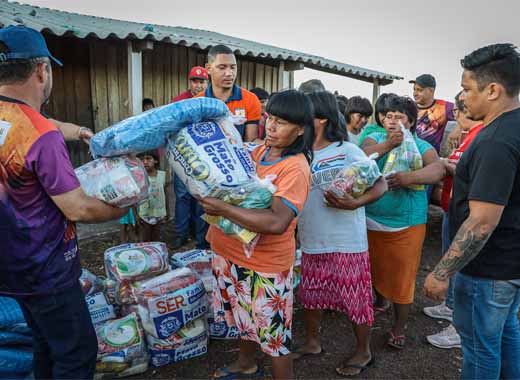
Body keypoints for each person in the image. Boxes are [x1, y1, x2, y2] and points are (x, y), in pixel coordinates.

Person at [0, 26, 128, 379]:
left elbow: (41, 123)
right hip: (46, 271)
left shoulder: (17, 122)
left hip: (8, 269)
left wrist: (79, 131)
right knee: (76, 355)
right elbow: (78, 208)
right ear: (42, 69)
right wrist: (121, 208)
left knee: (43, 343)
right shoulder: (39, 135)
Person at [198, 90, 313, 380]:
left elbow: (277, 221)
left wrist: (222, 208)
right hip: (229, 252)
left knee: (274, 339)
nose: (271, 127)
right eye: (269, 118)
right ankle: (246, 363)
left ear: (301, 129)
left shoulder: (295, 168)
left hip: (265, 264)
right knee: (243, 318)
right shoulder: (259, 150)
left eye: (282, 122)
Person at [424, 43, 520, 380]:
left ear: (493, 90)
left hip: (488, 270)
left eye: (467, 89)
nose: (462, 98)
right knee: (504, 336)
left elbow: (481, 222)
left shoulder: (496, 140)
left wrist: (441, 272)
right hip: (508, 265)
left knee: (480, 350)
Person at [293, 91, 387, 377]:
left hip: (346, 241)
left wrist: (355, 202)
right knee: (310, 295)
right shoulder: (299, 153)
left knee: (355, 299)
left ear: (320, 118)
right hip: (311, 238)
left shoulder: (346, 149)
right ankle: (312, 342)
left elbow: (380, 184)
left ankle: (364, 351)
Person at [361, 96, 445, 349]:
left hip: (407, 222)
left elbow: (437, 169)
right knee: (373, 266)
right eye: (388, 116)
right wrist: (387, 144)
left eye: (399, 117)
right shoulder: (375, 139)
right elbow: (361, 157)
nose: (393, 121)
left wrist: (409, 177)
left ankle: (399, 327)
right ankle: (381, 299)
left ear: (411, 121)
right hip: (371, 217)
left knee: (403, 275)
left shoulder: (421, 145)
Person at [424, 92, 484, 350]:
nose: (456, 117)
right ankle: (450, 307)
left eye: (459, 112)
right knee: (454, 261)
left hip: (468, 214)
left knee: (462, 268)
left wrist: (446, 166)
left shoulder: (482, 136)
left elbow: (470, 172)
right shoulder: (468, 136)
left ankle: (459, 329)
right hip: (454, 209)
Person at [171, 67, 210, 249]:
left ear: (207, 83)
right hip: (182, 156)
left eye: (202, 81)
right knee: (183, 197)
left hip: (205, 160)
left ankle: (201, 237)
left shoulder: (210, 101)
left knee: (202, 198)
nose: (198, 85)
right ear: (190, 82)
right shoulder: (179, 101)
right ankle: (181, 234)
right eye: (195, 81)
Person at [196, 45, 261, 142]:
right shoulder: (198, 102)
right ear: (208, 68)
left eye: (233, 67)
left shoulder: (250, 99)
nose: (229, 73)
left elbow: (250, 142)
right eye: (222, 68)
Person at [410, 74, 455, 153]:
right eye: (414, 89)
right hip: (408, 152)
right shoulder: (409, 107)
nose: (415, 93)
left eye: (419, 90)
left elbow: (465, 112)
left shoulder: (444, 107)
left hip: (430, 156)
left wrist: (458, 129)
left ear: (431, 91)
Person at [136, 150, 168, 242]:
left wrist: (167, 210)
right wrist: (136, 215)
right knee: (145, 238)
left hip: (159, 212)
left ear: (156, 161)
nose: (145, 162)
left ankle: (156, 254)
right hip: (143, 213)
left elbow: (165, 193)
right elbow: (134, 198)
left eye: (148, 158)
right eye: (142, 160)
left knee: (156, 237)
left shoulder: (162, 176)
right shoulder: (138, 178)